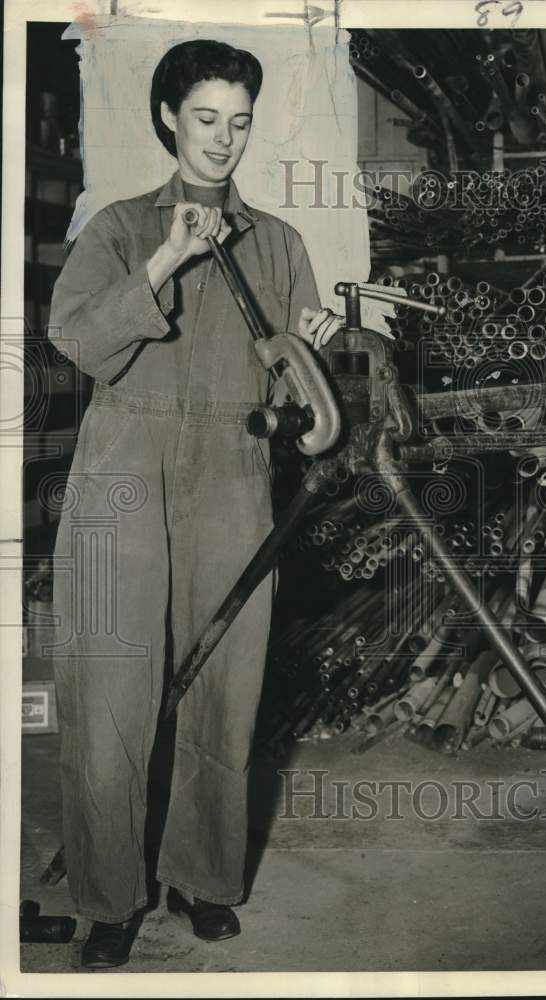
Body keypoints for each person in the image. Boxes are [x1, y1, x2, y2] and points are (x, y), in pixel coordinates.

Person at [48, 38, 343, 969]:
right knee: (110, 688)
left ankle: (202, 877)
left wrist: (316, 349)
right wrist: (165, 262)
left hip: (230, 472)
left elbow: (301, 402)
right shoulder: (118, 227)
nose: (224, 139)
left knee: (228, 682)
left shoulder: (281, 243)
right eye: (207, 118)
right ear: (171, 117)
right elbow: (77, 340)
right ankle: (107, 897)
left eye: (240, 121)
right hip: (122, 470)